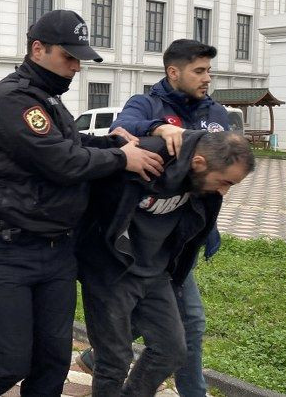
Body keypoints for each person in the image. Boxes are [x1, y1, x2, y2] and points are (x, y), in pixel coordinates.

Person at [0, 9, 165, 397]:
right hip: (8, 251)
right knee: (9, 359)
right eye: (70, 57)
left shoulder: (49, 100)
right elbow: (61, 161)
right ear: (38, 49)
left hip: (58, 252)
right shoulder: (14, 98)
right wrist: (122, 157)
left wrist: (116, 142)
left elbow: (73, 145)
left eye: (80, 59)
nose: (77, 67)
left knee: (53, 360)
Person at [76, 39, 229, 397]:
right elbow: (124, 128)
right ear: (173, 72)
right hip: (132, 243)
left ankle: (101, 355)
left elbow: (224, 162)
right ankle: (190, 390)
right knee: (189, 321)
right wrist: (159, 128)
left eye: (209, 71)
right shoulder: (145, 103)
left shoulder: (216, 114)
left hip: (179, 238)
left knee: (168, 325)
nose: (207, 78)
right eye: (199, 71)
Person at [76, 131, 254, 396]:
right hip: (111, 271)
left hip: (157, 272)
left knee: (171, 350)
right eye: (224, 182)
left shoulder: (204, 185)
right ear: (199, 163)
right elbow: (82, 167)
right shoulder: (146, 157)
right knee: (114, 360)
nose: (223, 191)